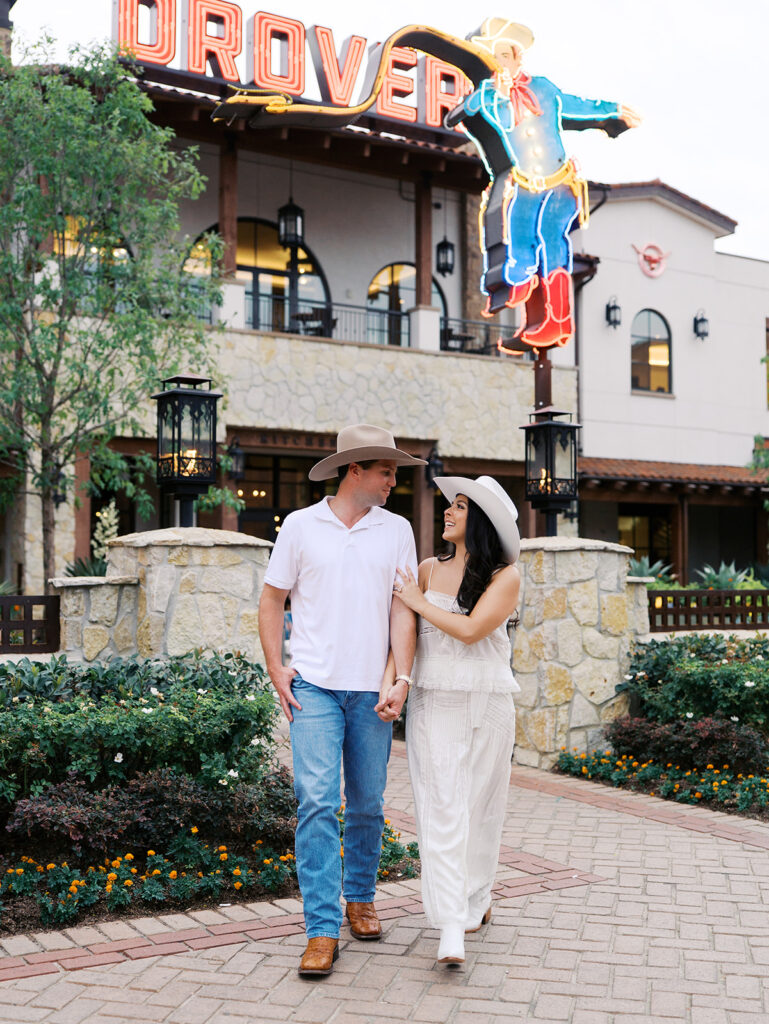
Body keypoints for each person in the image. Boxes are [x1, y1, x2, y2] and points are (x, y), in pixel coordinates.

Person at [258, 423, 425, 977]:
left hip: (371, 690)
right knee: (315, 801)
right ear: (356, 469)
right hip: (314, 687)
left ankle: (360, 898)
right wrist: (276, 667)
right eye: (386, 470)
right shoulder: (302, 527)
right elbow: (272, 599)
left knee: (370, 803)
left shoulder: (397, 529)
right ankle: (321, 929)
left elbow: (404, 609)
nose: (393, 480)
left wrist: (400, 677)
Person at [445, 18, 640, 345]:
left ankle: (558, 320)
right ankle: (519, 285)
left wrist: (613, 111)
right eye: (495, 56)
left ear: (518, 56)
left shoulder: (545, 89)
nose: (501, 62)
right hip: (523, 183)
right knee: (517, 237)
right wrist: (489, 95)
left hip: (560, 182)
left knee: (551, 240)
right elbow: (465, 112)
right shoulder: (490, 96)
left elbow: (580, 107)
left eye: (506, 55)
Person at [392, 475, 521, 964]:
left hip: (488, 703)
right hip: (434, 702)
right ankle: (451, 923)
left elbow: (470, 631)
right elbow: (403, 634)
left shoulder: (504, 576)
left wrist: (419, 603)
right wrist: (397, 680)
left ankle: (475, 900)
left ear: (481, 521)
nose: (447, 511)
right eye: (450, 504)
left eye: (460, 506)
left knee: (481, 809)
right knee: (442, 809)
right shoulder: (425, 570)